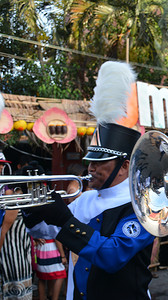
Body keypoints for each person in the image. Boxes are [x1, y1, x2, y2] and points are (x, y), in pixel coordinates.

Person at [23, 61, 155, 299]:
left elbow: (112, 256)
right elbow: (44, 231)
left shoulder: (143, 207)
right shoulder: (86, 199)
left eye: (99, 162)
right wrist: (33, 210)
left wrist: (64, 219)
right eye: (90, 162)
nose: (91, 167)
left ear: (124, 167)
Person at [0, 151, 33, 300]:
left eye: (2, 166)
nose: (1, 169)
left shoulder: (10, 193)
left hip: (13, 253)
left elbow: (4, 228)